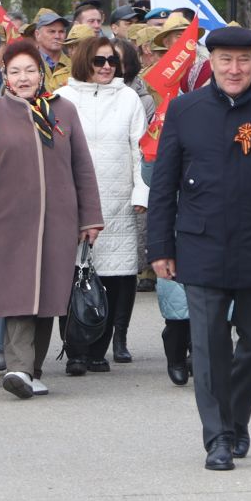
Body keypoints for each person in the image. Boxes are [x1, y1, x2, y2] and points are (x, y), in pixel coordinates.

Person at [147, 25, 251, 471]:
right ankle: (218, 437)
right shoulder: (185, 110)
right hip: (201, 246)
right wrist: (160, 245)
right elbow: (164, 185)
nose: (234, 69)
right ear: (212, 62)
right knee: (208, 345)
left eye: (243, 60)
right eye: (225, 60)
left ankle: (235, 418)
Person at [0, 39, 103, 399]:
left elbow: (82, 166)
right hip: (9, 220)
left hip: (58, 218)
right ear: (5, 76)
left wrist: (90, 217)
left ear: (41, 73)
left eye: (29, 70)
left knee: (49, 295)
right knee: (20, 292)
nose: (23, 78)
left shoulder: (64, 110)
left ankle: (31, 371)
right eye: (14, 71)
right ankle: (20, 368)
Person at [56, 32, 149, 375]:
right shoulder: (63, 98)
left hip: (119, 203)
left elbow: (141, 151)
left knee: (111, 280)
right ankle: (75, 349)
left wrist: (142, 193)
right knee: (72, 276)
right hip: (74, 202)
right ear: (85, 62)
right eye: (100, 60)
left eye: (112, 61)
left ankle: (99, 349)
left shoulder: (128, 99)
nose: (107, 67)